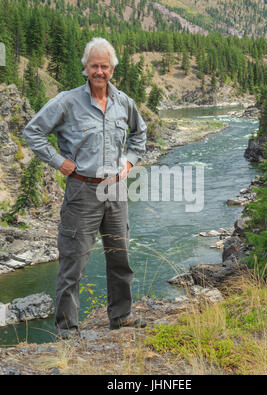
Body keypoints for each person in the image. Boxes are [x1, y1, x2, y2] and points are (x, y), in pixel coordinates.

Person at [23, 37, 147, 339]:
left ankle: (121, 316)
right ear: (85, 67)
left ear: (113, 69)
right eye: (94, 66)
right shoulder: (68, 101)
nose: (99, 71)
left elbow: (140, 134)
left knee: (120, 257)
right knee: (73, 262)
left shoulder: (123, 103)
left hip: (116, 191)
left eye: (105, 66)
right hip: (82, 191)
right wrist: (58, 161)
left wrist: (129, 164)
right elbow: (33, 131)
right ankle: (67, 331)